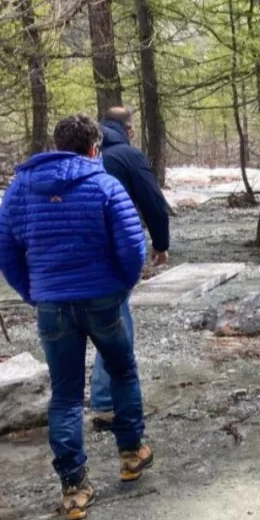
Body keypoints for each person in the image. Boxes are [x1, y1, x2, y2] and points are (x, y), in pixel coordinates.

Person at [0, 114, 154, 520]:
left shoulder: (21, 190)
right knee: (122, 372)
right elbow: (134, 246)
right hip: (103, 299)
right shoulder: (104, 185)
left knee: (65, 394)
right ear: (93, 148)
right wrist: (121, 286)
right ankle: (132, 454)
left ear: (57, 144)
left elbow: (5, 251)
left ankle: (74, 488)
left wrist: (32, 291)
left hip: (52, 304)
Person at [89, 107, 170, 431]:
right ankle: (110, 405)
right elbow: (152, 201)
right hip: (109, 256)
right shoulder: (127, 155)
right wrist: (160, 244)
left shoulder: (78, 156)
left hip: (64, 262)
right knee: (117, 325)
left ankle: (98, 401)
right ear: (129, 128)